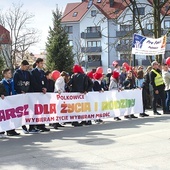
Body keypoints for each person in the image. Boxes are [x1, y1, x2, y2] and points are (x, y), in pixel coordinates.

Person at [13, 60, 39, 134]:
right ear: (22, 65)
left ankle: (32, 127)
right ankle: (23, 127)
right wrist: (19, 91)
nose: (26, 68)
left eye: (27, 67)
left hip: (28, 94)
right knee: (22, 111)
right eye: (25, 66)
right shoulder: (17, 73)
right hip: (20, 94)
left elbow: (32, 82)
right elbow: (15, 84)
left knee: (31, 110)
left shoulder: (28, 73)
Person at [31, 58, 50, 132]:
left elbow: (45, 81)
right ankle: (34, 125)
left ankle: (42, 125)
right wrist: (40, 88)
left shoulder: (42, 72)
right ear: (37, 63)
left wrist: (45, 87)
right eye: (41, 63)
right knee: (35, 109)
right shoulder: (33, 72)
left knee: (42, 109)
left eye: (43, 63)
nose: (42, 65)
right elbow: (34, 82)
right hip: (36, 92)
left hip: (42, 93)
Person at [1, 68, 20, 136]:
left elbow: (13, 90)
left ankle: (11, 130)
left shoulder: (11, 82)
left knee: (12, 116)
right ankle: (3, 130)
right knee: (4, 116)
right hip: (5, 102)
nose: (10, 74)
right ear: (5, 74)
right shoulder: (2, 83)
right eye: (8, 73)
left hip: (11, 101)